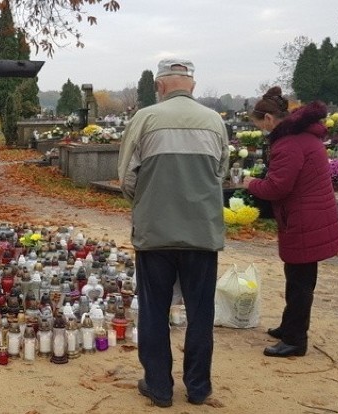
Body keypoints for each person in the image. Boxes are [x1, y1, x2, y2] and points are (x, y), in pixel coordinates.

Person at [118, 58, 228, 407]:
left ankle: (159, 388)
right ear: (192, 85)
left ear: (161, 85)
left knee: (154, 311)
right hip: (201, 234)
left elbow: (127, 178)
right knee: (200, 313)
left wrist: (150, 202)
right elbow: (220, 173)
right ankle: (198, 388)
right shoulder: (214, 122)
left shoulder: (145, 119)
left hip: (156, 233)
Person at [245, 87, 338, 357]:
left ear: (267, 119)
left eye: (257, 123)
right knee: (298, 278)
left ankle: (295, 340)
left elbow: (277, 187)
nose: (259, 129)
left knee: (300, 283)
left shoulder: (288, 144)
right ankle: (289, 327)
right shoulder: (301, 137)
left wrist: (250, 183)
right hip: (311, 216)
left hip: (303, 220)